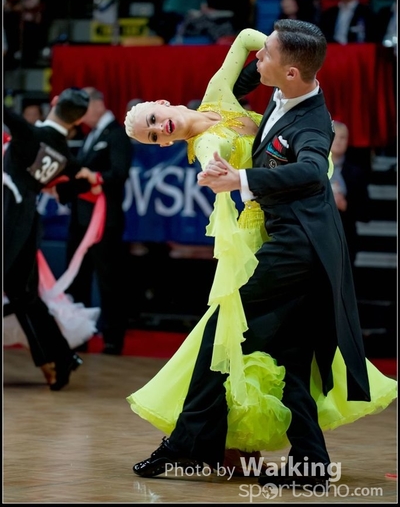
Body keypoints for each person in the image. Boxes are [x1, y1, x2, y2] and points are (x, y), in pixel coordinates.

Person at [124, 25, 397, 485]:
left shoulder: (310, 120)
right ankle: (310, 463)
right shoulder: (281, 97)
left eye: (266, 55)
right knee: (291, 354)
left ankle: (188, 445)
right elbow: (216, 137)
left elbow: (312, 170)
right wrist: (220, 167)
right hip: (285, 238)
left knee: (221, 334)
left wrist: (240, 180)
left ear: (289, 71)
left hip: (297, 246)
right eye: (152, 135)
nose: (258, 61)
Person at [3, 88, 99, 390]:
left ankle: (60, 357)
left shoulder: (29, 134)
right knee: (22, 294)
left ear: (54, 103)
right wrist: (90, 178)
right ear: (79, 121)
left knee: (20, 292)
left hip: (9, 217)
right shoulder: (65, 155)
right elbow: (72, 187)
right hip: (28, 223)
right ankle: (61, 357)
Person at [61, 87, 133, 355]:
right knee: (78, 279)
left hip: (105, 221)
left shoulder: (116, 135)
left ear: (96, 105)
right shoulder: (89, 135)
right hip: (80, 219)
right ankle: (79, 335)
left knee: (108, 281)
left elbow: (118, 173)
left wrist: (94, 178)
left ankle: (113, 338)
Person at [330, 121, 372, 272]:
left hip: (346, 238)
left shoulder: (356, 173)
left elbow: (366, 213)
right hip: (318, 236)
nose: (339, 141)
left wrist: (346, 206)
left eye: (343, 138)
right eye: (335, 137)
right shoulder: (314, 169)